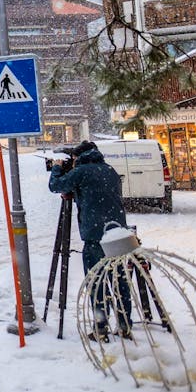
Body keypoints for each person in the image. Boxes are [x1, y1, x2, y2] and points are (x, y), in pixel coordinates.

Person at [48, 140, 133, 340]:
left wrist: (57, 169)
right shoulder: (109, 170)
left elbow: (55, 185)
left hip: (95, 236)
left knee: (97, 281)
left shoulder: (82, 172)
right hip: (118, 233)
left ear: (79, 157)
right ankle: (124, 325)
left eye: (74, 159)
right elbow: (96, 194)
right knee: (119, 280)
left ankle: (100, 326)